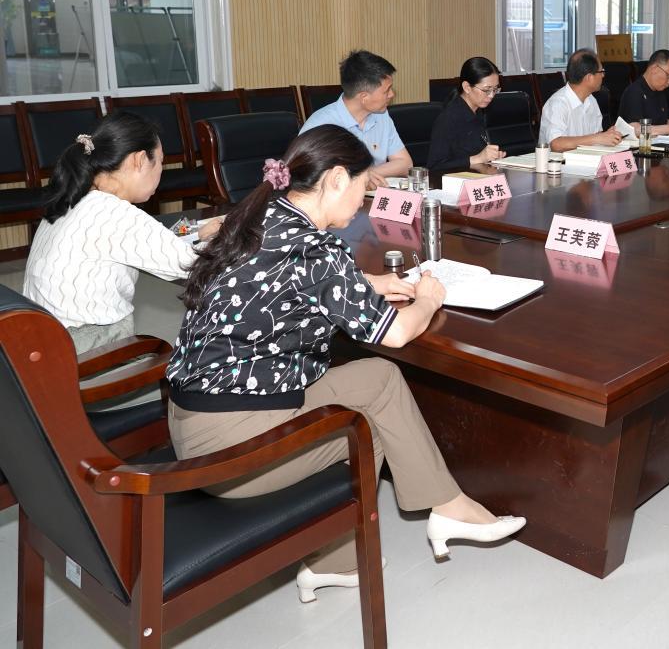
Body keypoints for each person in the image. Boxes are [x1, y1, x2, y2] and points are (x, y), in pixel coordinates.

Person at [166, 126, 525, 602]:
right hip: (229, 449)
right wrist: (429, 298)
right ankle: (409, 525)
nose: (365, 197)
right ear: (336, 179)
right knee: (369, 419)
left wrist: (369, 283)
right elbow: (397, 333)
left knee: (377, 386)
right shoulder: (318, 250)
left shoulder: (262, 215)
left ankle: (368, 544)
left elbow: (283, 281)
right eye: (363, 184)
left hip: (193, 418)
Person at [23, 112, 220, 353]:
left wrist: (197, 232)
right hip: (83, 343)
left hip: (43, 338)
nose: (161, 171)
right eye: (160, 162)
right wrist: (229, 234)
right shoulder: (113, 211)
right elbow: (192, 264)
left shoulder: (73, 197)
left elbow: (147, 240)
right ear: (139, 160)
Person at [300, 50, 411, 189]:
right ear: (364, 97)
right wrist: (363, 177)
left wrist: (367, 174)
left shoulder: (381, 115)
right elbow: (312, 180)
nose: (392, 94)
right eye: (386, 91)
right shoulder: (321, 125)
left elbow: (405, 163)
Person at [427, 56, 506, 175]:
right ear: (467, 87)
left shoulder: (478, 111)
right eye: (486, 90)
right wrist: (477, 158)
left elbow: (477, 152)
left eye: (495, 89)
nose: (491, 95)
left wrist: (491, 156)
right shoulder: (448, 118)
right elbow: (434, 166)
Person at [538, 48, 623, 152]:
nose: (603, 75)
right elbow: (556, 144)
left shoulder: (591, 100)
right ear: (589, 77)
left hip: (584, 158)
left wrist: (606, 136)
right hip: (559, 161)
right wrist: (597, 138)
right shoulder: (558, 103)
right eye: (601, 71)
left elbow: (593, 137)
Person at [618, 48, 669, 135]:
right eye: (668, 76)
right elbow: (634, 128)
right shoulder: (634, 92)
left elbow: (661, 122)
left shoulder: (659, 91)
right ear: (654, 69)